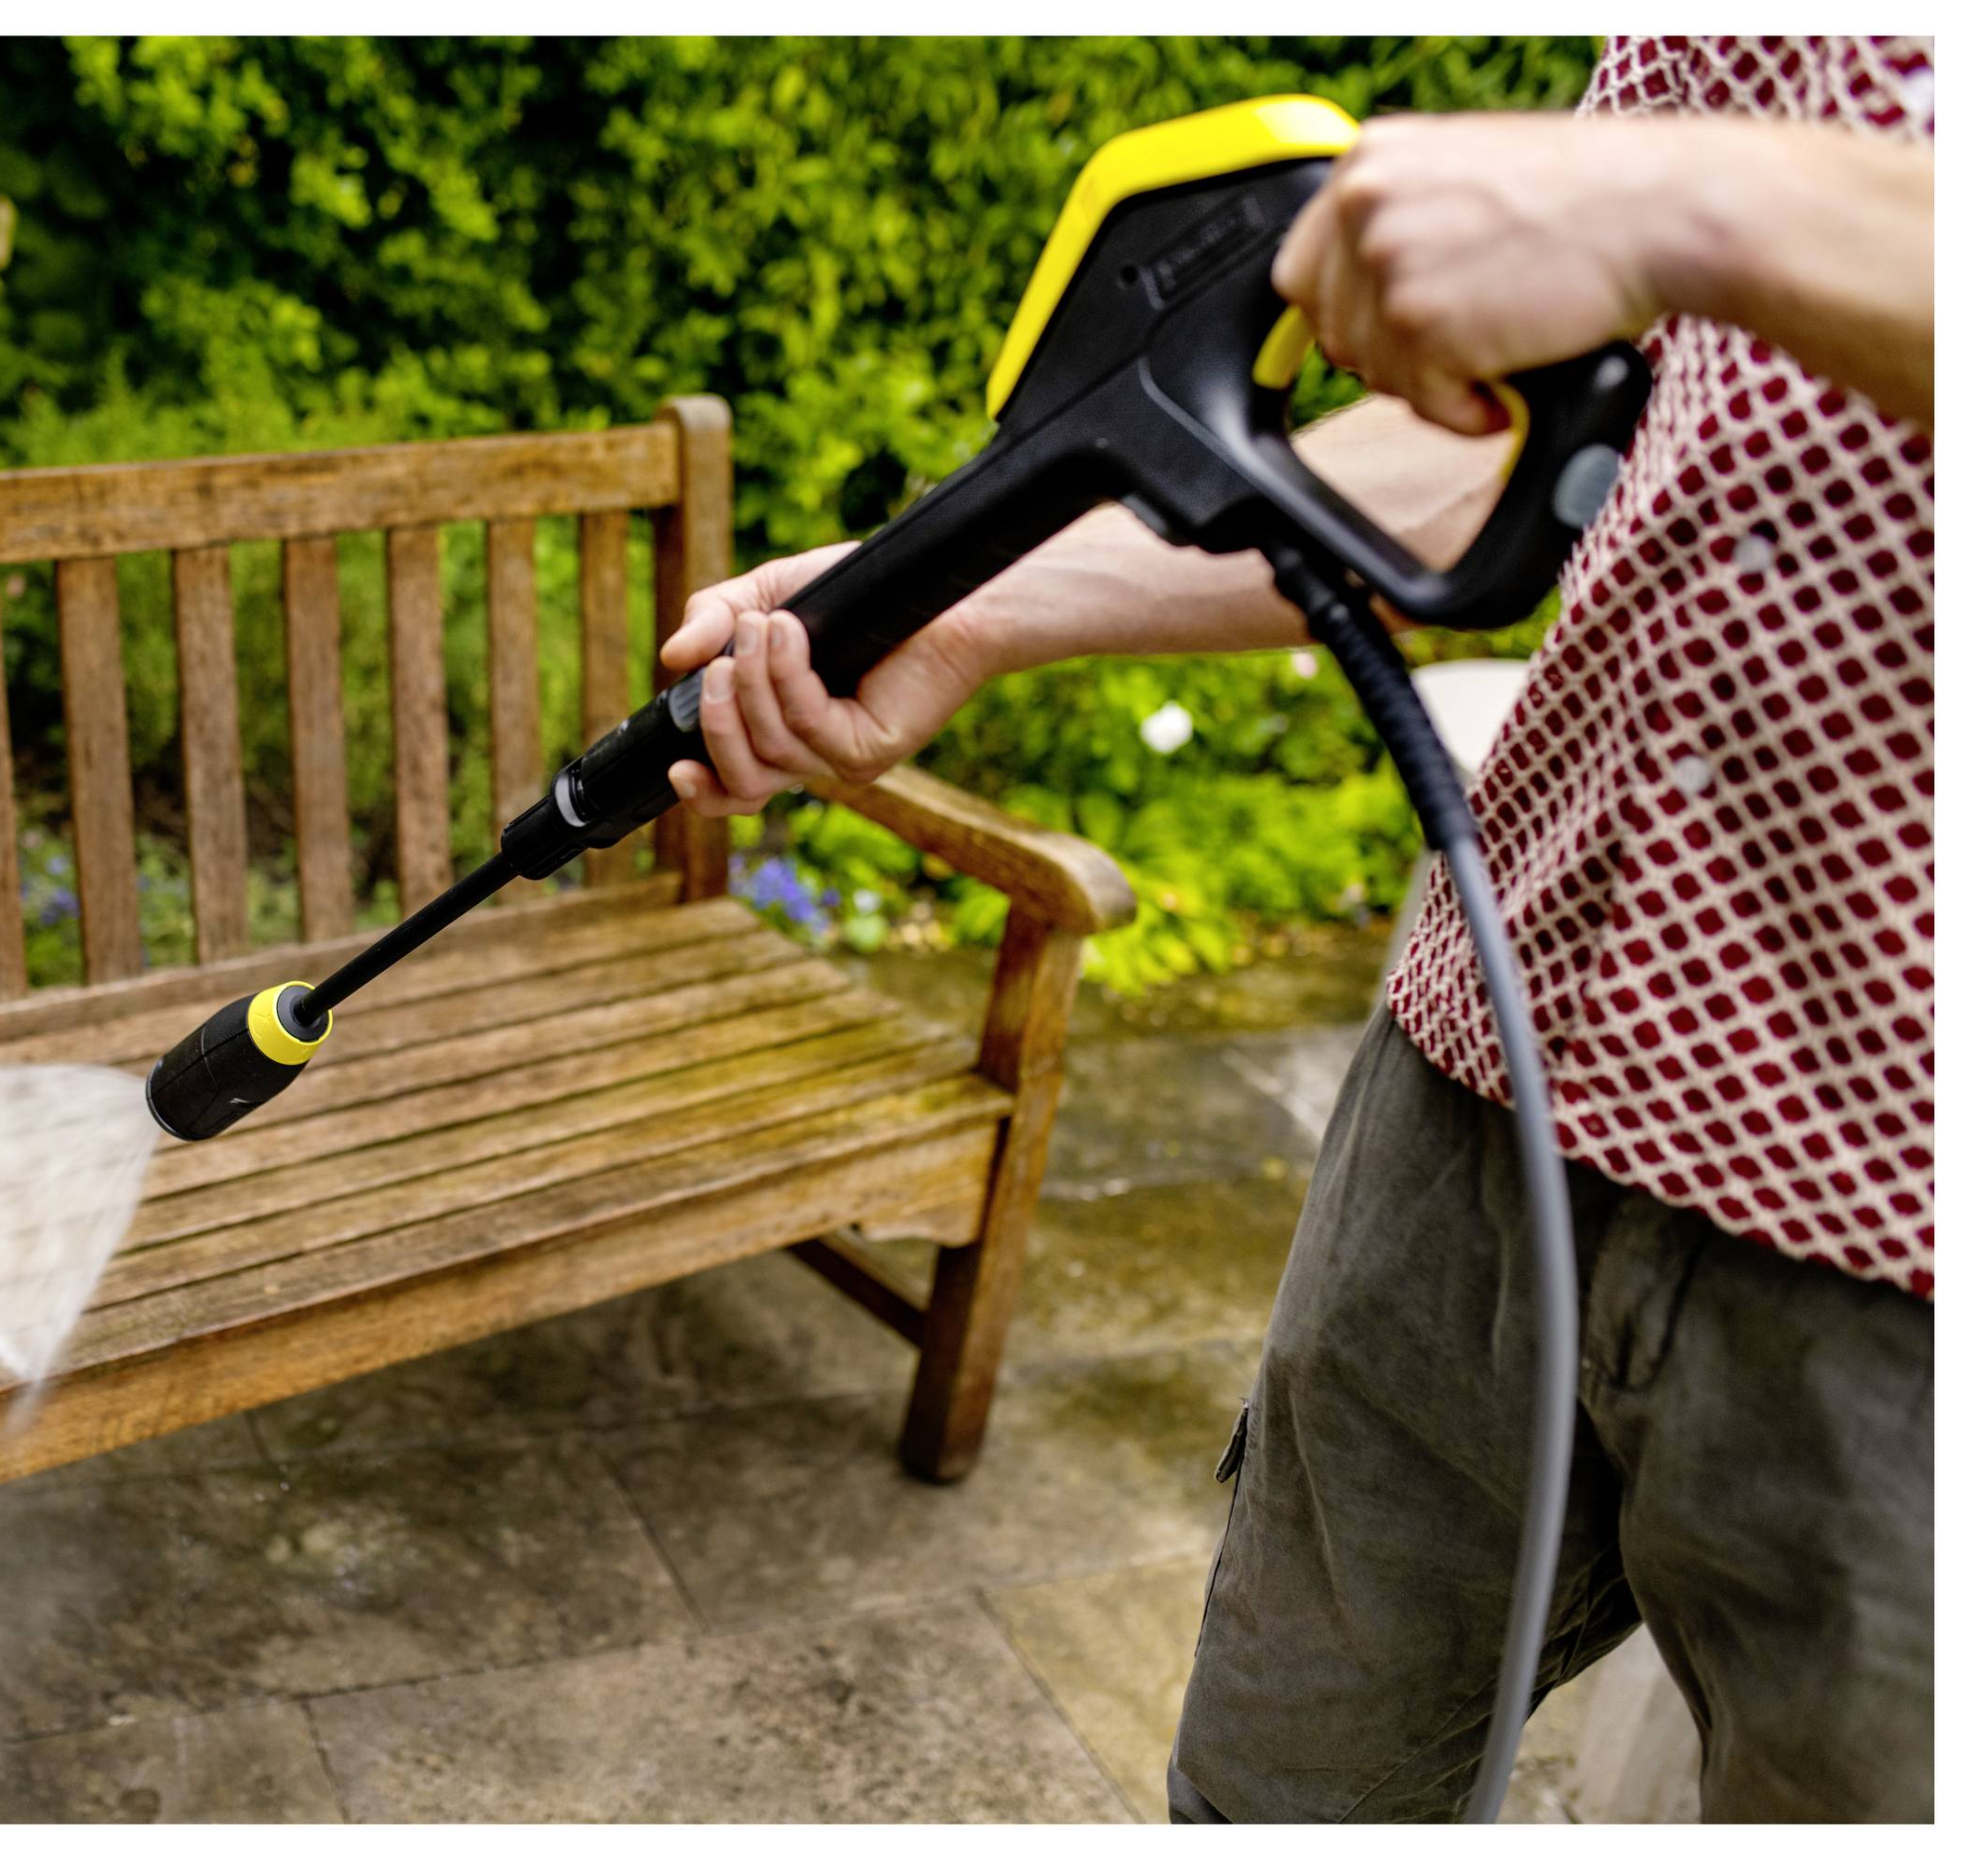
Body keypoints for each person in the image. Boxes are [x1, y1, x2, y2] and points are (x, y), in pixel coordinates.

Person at [661, 37, 1933, 1823]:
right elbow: (1506, 432)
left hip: (1905, 1246)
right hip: (1494, 1090)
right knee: (1277, 1794)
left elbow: (1675, 241)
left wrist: (1701, 197)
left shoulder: (1714, 181)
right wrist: (974, 598)